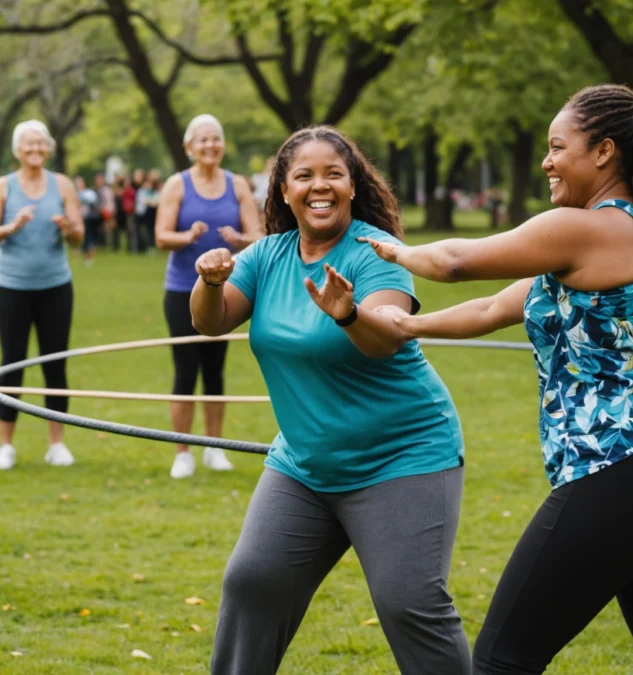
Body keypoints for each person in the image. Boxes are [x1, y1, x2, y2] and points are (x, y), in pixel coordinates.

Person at [365, 84, 633, 673]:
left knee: (500, 662)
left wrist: (388, 249)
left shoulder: (579, 229)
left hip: (622, 469)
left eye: (558, 147)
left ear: (604, 151)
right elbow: (493, 308)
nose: (546, 161)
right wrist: (407, 326)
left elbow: (457, 263)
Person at [192, 125, 469, 674]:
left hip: (401, 457)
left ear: (352, 185)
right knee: (253, 582)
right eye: (305, 176)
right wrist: (211, 281)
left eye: (333, 175)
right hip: (305, 465)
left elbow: (388, 338)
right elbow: (210, 323)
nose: (320, 187)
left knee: (409, 605)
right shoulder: (267, 255)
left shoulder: (374, 253)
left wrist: (347, 312)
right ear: (284, 191)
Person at [155, 113, 262, 479]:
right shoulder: (177, 185)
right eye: (202, 140)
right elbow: (161, 236)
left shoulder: (238, 184)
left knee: (215, 371)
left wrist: (238, 239)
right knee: (185, 371)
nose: (210, 145)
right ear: (189, 147)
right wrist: (188, 237)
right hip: (182, 289)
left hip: (228, 291)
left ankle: (216, 448)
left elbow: (259, 235)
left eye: (215, 138)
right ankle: (182, 452)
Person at [0, 119, 85, 471]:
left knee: (55, 364)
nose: (35, 149)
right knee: (12, 363)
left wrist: (67, 227)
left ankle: (57, 444)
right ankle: (5, 446)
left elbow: (79, 237)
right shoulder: (2, 187)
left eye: (41, 144)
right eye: (29, 144)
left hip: (56, 286)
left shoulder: (62, 185)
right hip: (11, 287)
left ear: (48, 148)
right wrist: (13, 226)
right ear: (17, 149)